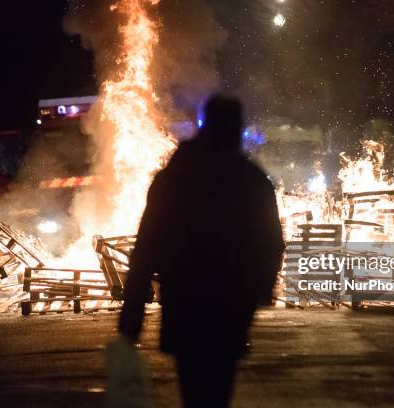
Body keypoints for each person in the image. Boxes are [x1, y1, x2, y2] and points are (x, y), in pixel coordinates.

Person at [119, 94, 285, 407]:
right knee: (219, 390)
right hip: (230, 305)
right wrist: (259, 291)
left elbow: (147, 244)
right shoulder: (251, 179)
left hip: (185, 302)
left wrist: (132, 313)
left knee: (193, 391)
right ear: (236, 127)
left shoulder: (174, 177)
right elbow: (271, 242)